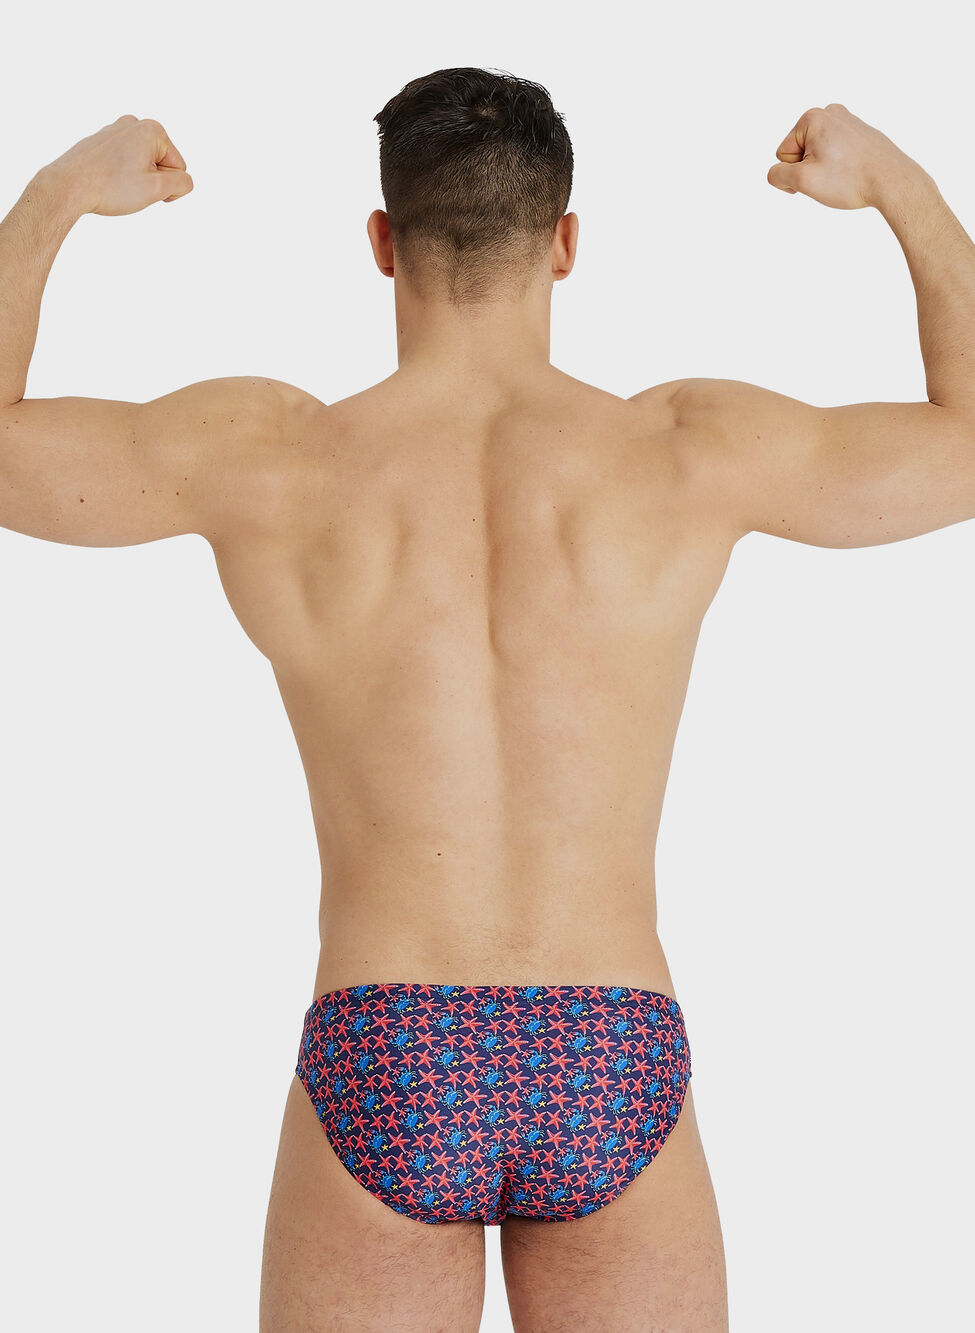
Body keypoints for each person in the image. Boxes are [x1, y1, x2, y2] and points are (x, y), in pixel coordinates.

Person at [1, 65, 972, 1333]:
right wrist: (898, 184)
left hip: (386, 1042)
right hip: (611, 1044)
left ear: (381, 242)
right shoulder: (687, 450)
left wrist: (59, 195)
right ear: (565, 243)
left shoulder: (267, 455)